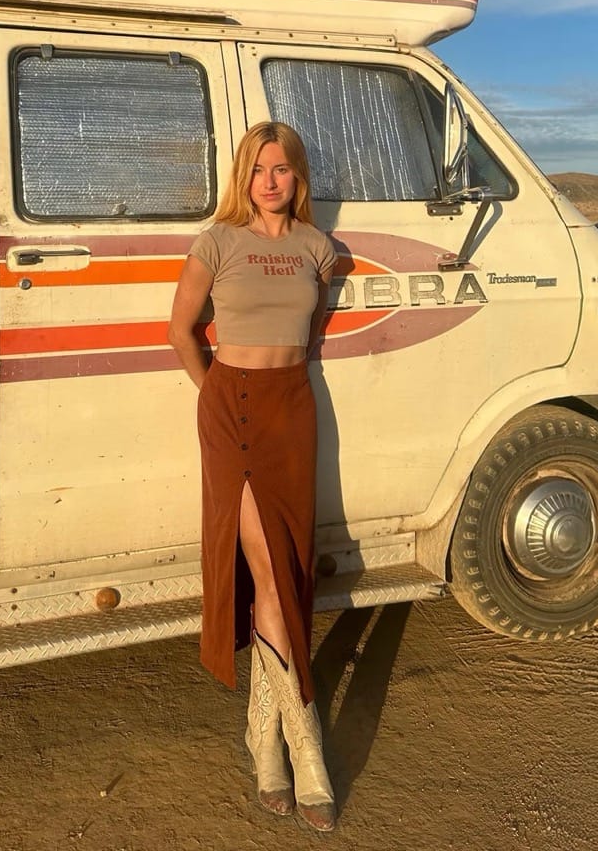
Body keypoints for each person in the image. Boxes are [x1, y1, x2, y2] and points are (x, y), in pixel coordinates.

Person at [168, 121, 337, 832]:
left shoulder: (317, 249)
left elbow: (316, 315)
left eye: (284, 170)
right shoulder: (218, 242)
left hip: (291, 411)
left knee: (288, 568)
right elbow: (179, 330)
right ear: (246, 175)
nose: (271, 181)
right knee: (267, 574)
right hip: (230, 409)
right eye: (260, 169)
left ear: (298, 179)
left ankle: (260, 735)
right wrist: (215, 392)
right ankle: (307, 755)